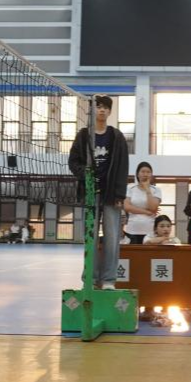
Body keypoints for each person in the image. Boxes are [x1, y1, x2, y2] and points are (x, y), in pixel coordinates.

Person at [67, 94, 130, 289]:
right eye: (99, 106)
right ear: (93, 110)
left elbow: (123, 167)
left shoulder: (117, 136)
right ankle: (91, 279)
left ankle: (109, 280)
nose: (102, 110)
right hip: (90, 193)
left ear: (110, 112)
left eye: (105, 107)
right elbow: (73, 162)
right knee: (90, 238)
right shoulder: (83, 135)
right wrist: (85, 175)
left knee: (112, 238)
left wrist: (120, 194)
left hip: (111, 194)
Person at [124, 161, 162, 244]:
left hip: (149, 230)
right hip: (132, 229)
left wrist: (147, 190)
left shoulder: (156, 190)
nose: (145, 174)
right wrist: (147, 212)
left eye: (148, 172)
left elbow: (153, 208)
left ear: (151, 175)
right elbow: (127, 207)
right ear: (138, 174)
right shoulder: (130, 187)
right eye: (143, 172)